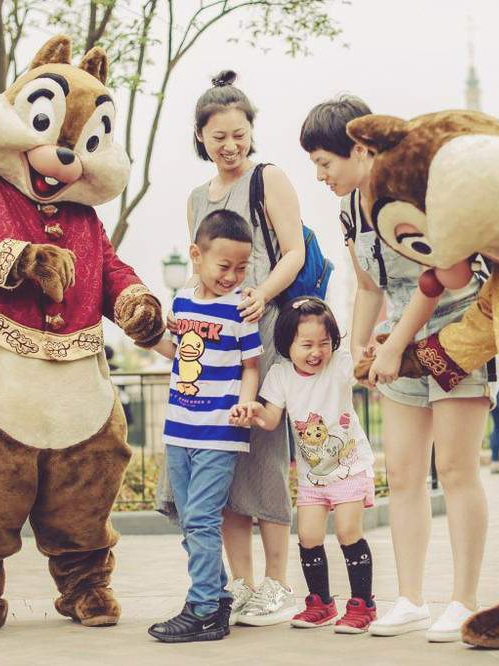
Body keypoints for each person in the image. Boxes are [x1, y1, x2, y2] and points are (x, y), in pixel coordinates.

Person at [300, 95, 491, 641]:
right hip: (397, 342)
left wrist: (392, 347)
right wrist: (358, 348)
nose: (319, 174)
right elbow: (368, 284)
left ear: (359, 149)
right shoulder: (348, 211)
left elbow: (439, 275)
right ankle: (410, 599)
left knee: (455, 470)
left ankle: (465, 602)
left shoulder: (409, 188)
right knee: (404, 475)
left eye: (324, 162)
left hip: (459, 333)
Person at [158, 70, 306, 627]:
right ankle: (240, 585)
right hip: (210, 348)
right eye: (218, 135)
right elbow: (200, 266)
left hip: (261, 333)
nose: (230, 144)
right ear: (201, 136)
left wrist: (259, 296)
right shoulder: (198, 197)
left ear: (251, 131)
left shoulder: (269, 178)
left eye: (239, 133)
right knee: (224, 468)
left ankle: (277, 584)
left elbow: (291, 251)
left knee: (264, 458)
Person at [147, 210, 263, 643]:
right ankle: (214, 600)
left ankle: (202, 609)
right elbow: (175, 354)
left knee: (201, 518)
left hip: (220, 431)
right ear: (196, 256)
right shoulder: (181, 303)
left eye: (240, 267)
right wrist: (146, 328)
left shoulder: (242, 309)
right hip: (179, 430)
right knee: (188, 521)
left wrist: (247, 401)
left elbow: (251, 366)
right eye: (224, 266)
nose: (233, 276)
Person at [231, 298, 378, 634]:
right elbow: (270, 420)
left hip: (350, 466)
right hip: (314, 477)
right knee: (309, 536)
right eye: (307, 344)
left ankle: (362, 605)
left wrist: (368, 361)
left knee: (347, 531)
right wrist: (252, 411)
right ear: (288, 343)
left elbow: (358, 371)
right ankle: (321, 603)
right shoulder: (281, 374)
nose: (316, 352)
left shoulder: (339, 363)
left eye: (324, 343)